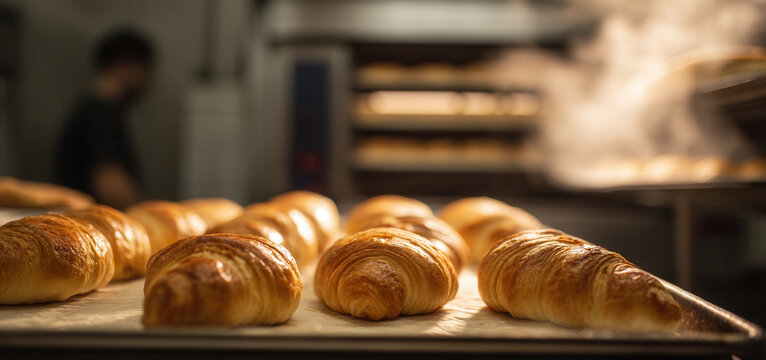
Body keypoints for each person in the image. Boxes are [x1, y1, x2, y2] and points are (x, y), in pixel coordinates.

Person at [55, 29, 154, 209]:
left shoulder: (94, 109)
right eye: (145, 71)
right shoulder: (100, 115)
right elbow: (111, 185)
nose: (147, 82)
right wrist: (144, 222)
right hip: (93, 226)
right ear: (126, 65)